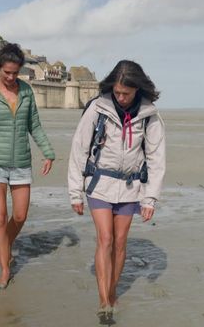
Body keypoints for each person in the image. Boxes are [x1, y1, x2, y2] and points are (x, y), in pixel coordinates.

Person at [67, 60, 166, 319]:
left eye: (126, 93)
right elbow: (79, 149)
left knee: (120, 242)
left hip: (131, 187)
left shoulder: (150, 116)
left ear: (137, 90)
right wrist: (75, 191)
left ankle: (112, 291)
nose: (121, 97)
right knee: (106, 239)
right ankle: (104, 301)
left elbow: (156, 159)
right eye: (117, 92)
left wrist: (150, 199)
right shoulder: (97, 108)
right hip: (99, 183)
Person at [0, 43, 55, 289]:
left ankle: (3, 242)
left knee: (19, 216)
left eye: (15, 72)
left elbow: (34, 125)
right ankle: (5, 268)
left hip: (21, 163)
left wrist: (48, 152)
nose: (11, 77)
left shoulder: (26, 92)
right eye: (7, 72)